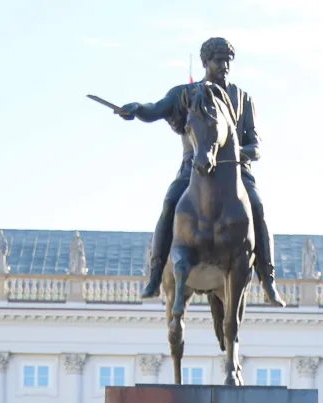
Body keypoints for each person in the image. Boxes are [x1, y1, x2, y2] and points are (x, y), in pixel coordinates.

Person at [117, 37, 283, 306]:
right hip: (193, 169)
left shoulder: (243, 98)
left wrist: (236, 155)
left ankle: (268, 279)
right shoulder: (184, 94)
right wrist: (136, 109)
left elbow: (256, 146)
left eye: (228, 61)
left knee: (258, 207)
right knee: (170, 203)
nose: (224, 66)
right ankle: (156, 272)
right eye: (218, 61)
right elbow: (155, 110)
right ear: (206, 63)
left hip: (235, 173)